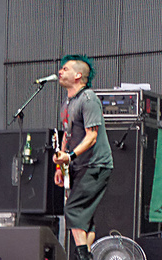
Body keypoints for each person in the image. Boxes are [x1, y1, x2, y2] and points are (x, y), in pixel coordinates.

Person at [50, 56, 112, 260]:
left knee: (73, 209)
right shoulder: (67, 104)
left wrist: (70, 156)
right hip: (79, 164)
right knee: (84, 219)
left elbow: (92, 136)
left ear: (78, 75)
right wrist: (61, 166)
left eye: (65, 69)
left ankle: (83, 257)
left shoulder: (88, 98)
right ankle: (85, 255)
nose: (60, 72)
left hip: (96, 164)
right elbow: (67, 135)